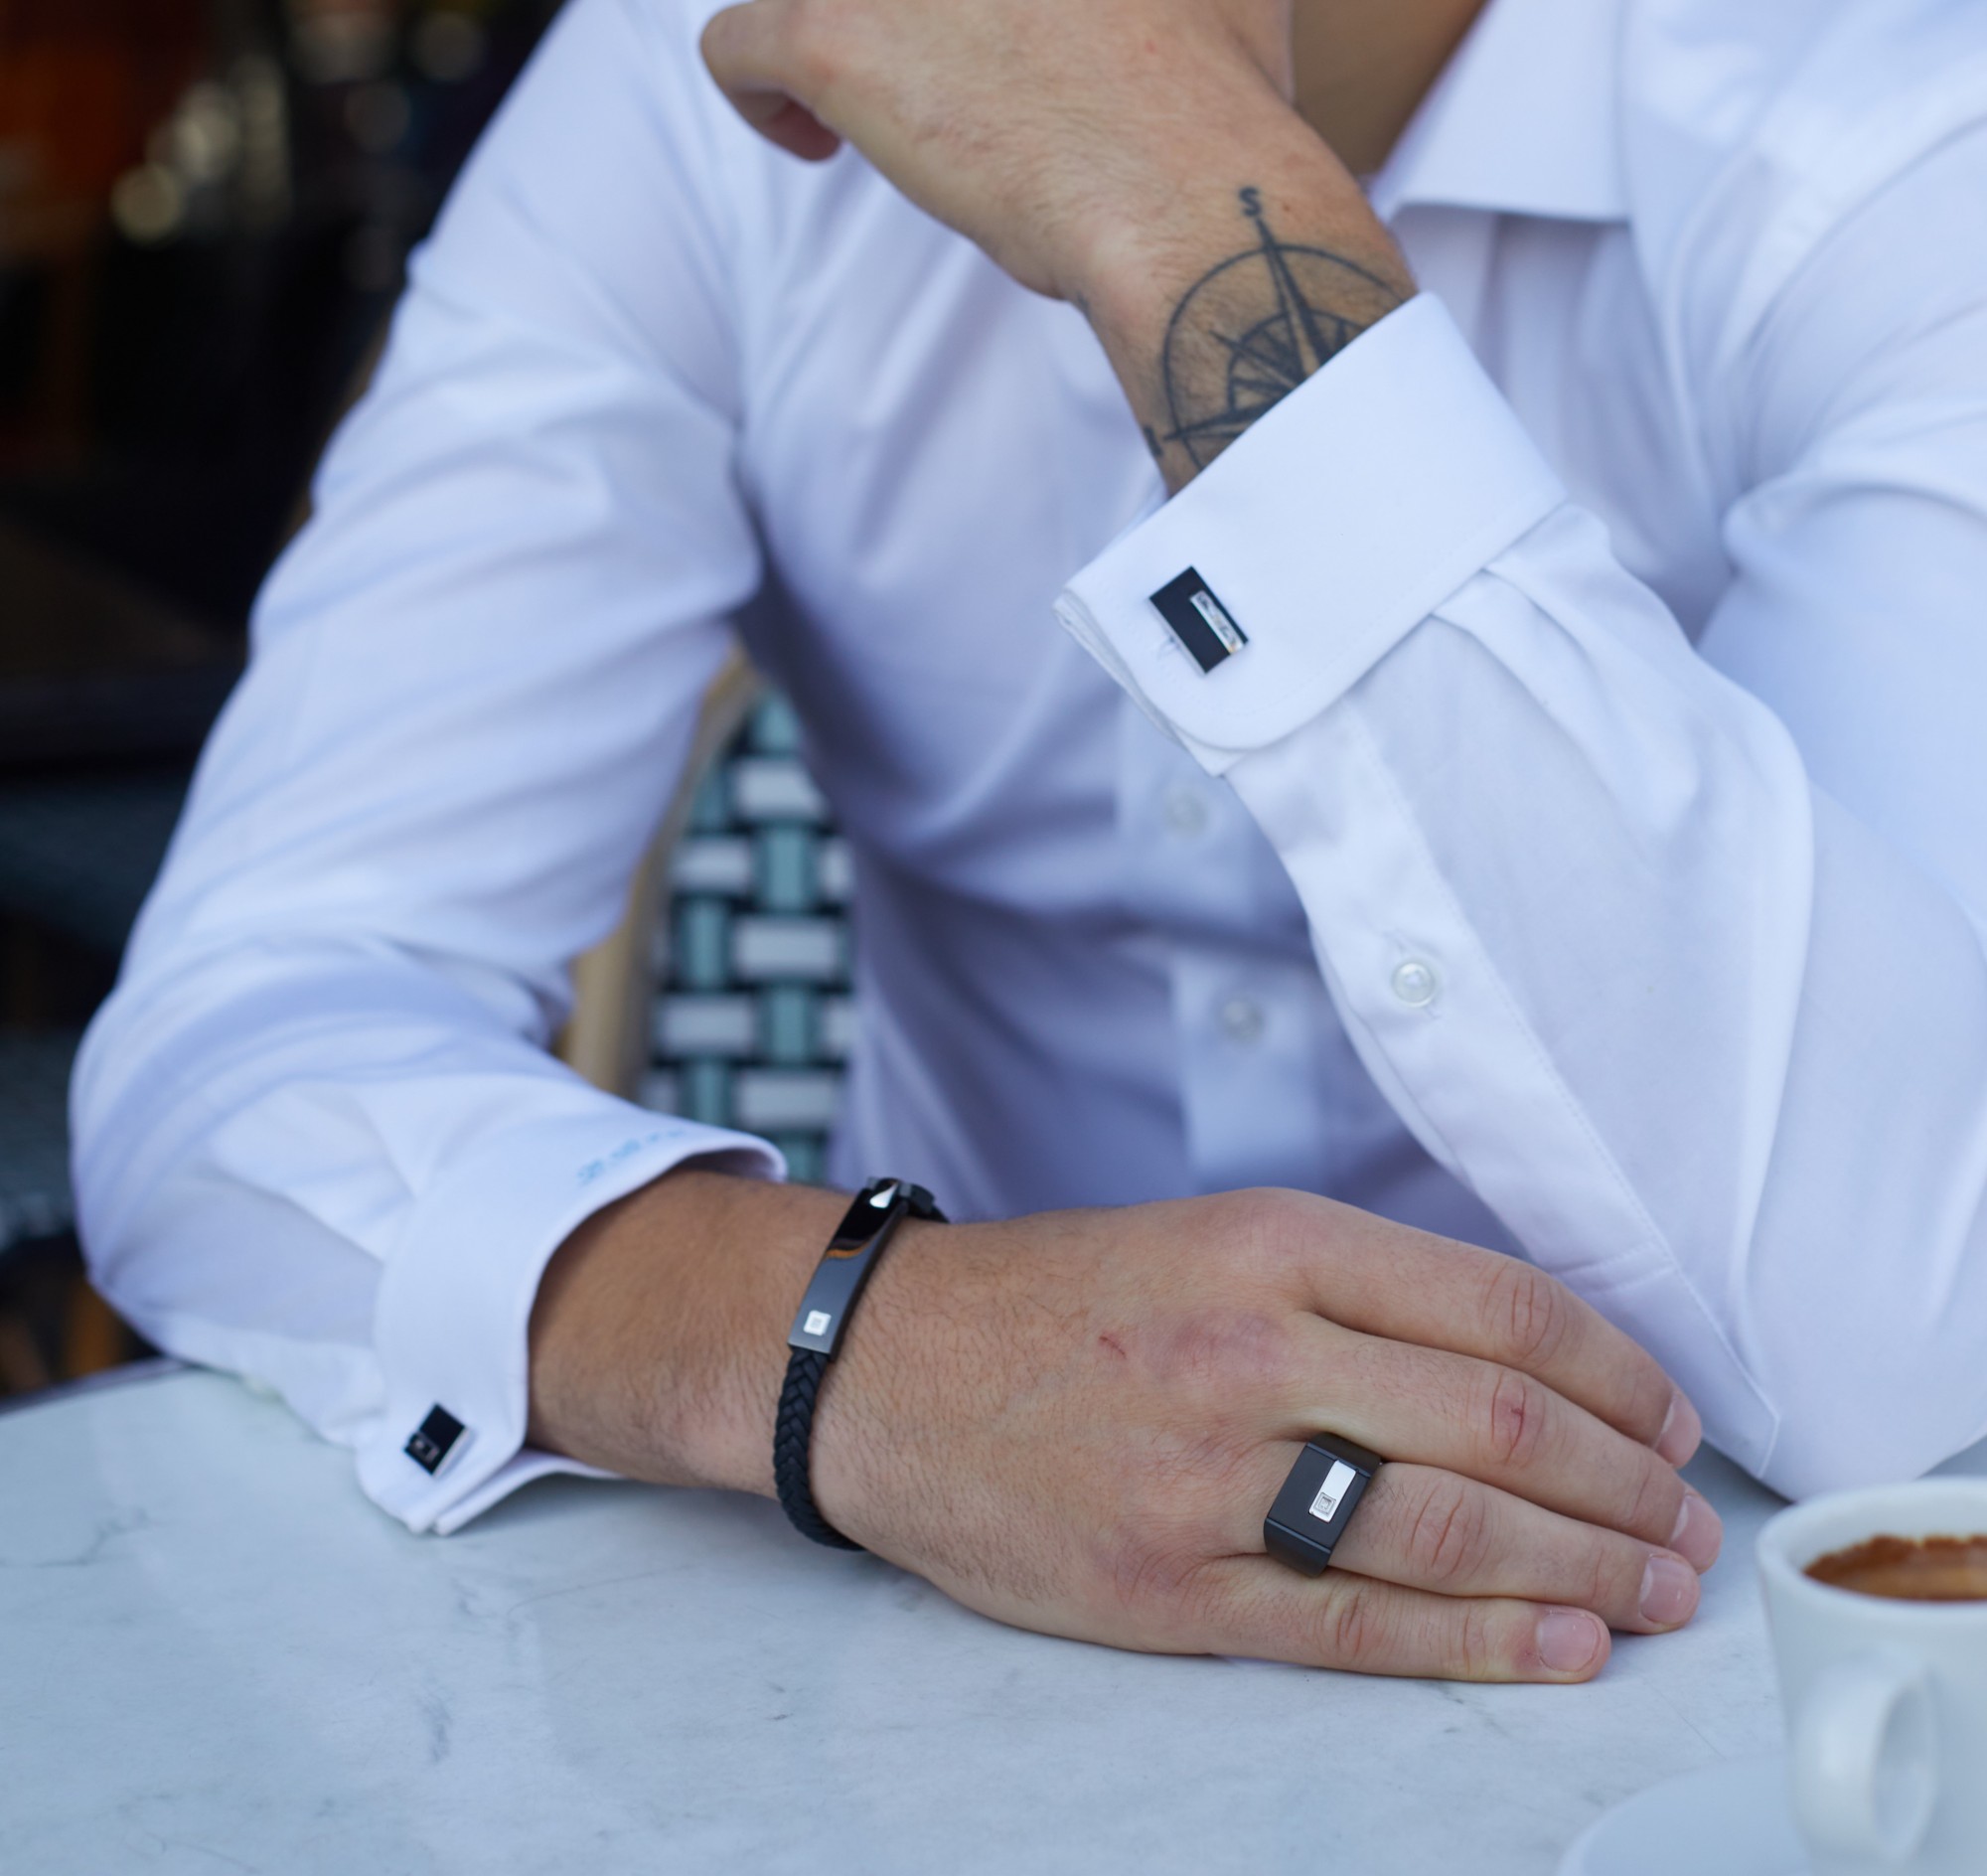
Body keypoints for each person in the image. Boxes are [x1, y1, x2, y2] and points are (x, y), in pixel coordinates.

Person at [72, 0, 1987, 1683]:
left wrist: (1190, 187)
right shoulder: (701, 83)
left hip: (1717, 1667)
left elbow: (1906, 1358)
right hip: (923, 1649)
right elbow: (238, 1040)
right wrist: (852, 1352)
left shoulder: (1886, 117)